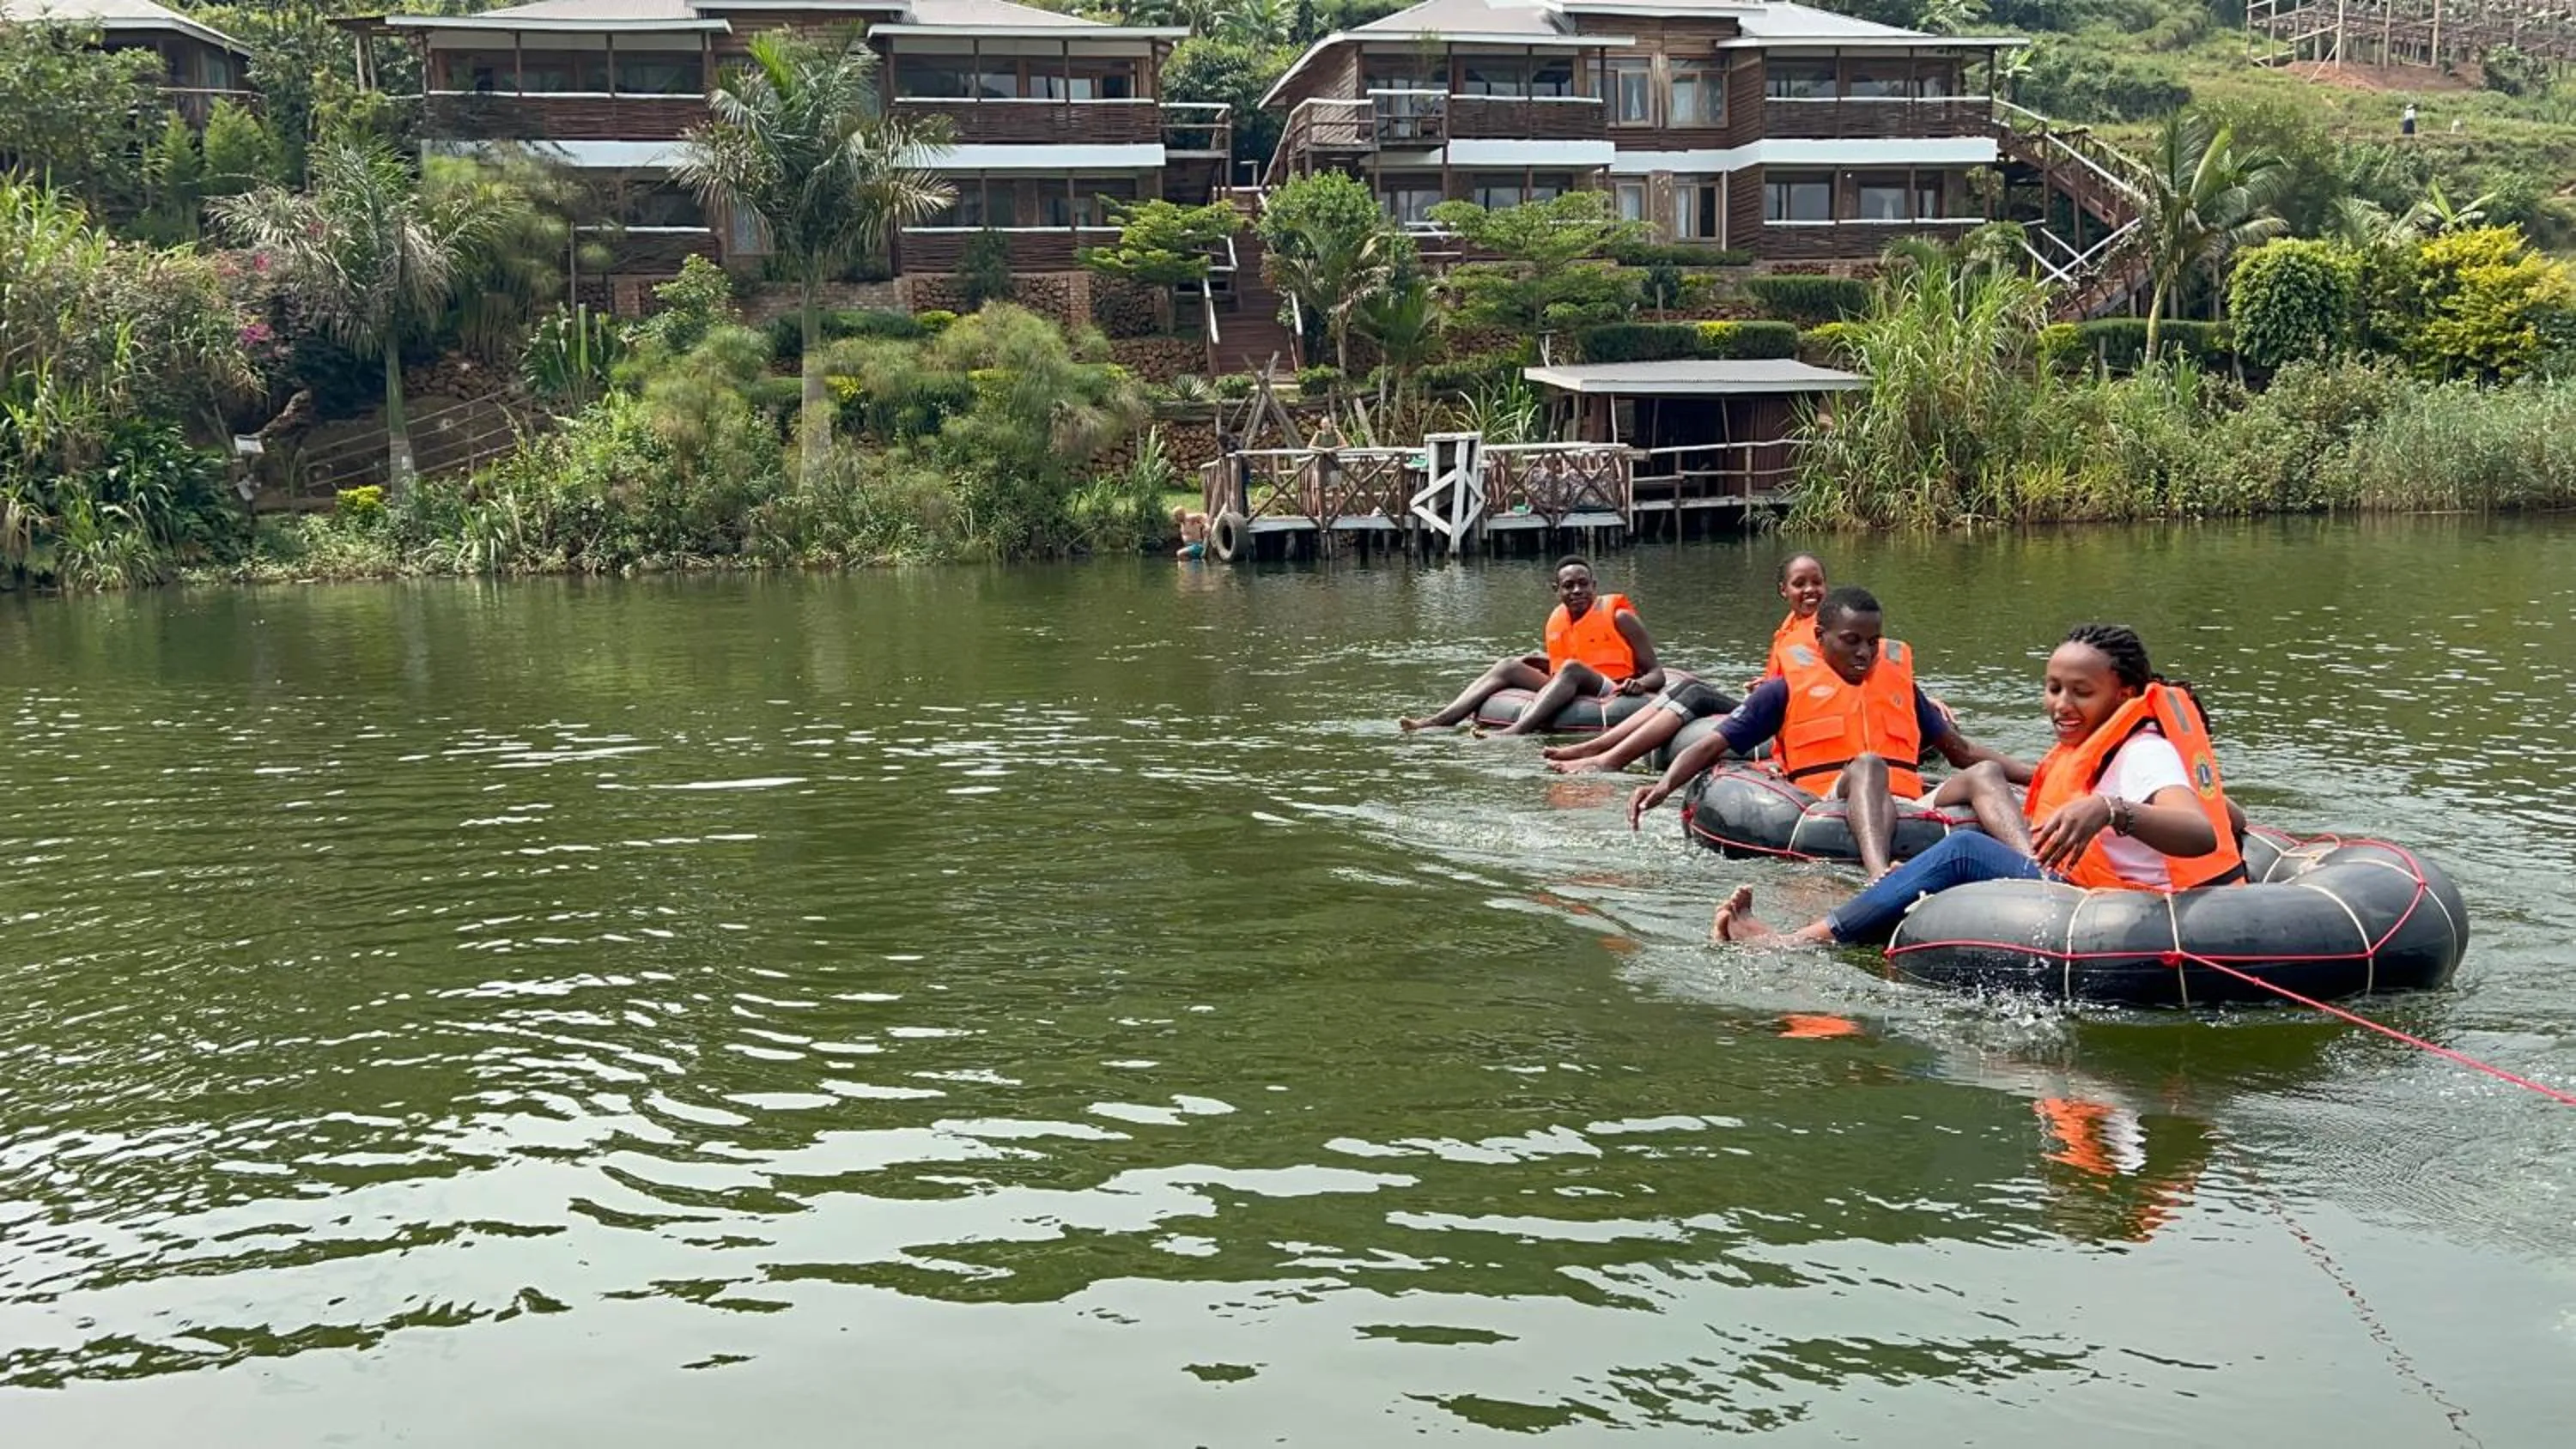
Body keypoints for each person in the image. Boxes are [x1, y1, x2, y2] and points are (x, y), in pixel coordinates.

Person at [1710, 621, 2245, 946]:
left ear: (2126, 691)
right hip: (2100, 891)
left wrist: (2111, 810)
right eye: (2054, 688)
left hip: (2120, 908)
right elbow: (2227, 819)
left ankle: (1798, 941)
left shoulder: (2144, 751)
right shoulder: (2099, 748)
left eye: (2081, 692)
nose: (2061, 704)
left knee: (1964, 848)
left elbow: (2201, 834)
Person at [1626, 586, 2034, 880]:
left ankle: (2032, 870)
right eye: (1851, 641)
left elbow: (1960, 752)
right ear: (1820, 637)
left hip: (1910, 799)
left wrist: (2042, 774)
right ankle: (1880, 874)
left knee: (1985, 775)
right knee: (1869, 765)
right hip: (1827, 797)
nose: (1865, 653)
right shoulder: (1781, 690)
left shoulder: (1900, 686)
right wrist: (1661, 789)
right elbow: (1714, 743)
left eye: (1873, 643)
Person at [1545, 553, 1829, 775]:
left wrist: (1772, 690)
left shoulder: (1825, 629)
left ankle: (1608, 759)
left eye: (1817, 582)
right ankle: (1597, 746)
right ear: (1784, 590)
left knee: (1696, 693)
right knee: (1687, 687)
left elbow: (1820, 683)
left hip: (1787, 720)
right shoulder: (1793, 625)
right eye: (1800, 584)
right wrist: (1765, 685)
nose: (1810, 590)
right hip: (1772, 708)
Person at [1400, 556, 1666, 736]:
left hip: (1609, 687)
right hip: (1569, 685)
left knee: (1573, 669)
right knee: (1508, 666)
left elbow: (1657, 673)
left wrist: (1640, 684)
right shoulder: (1558, 619)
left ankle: (1514, 733)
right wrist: (1545, 663)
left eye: (1583, 584)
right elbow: (1572, 659)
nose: (1577, 591)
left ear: (1594, 586)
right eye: (1568, 586)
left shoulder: (1621, 617)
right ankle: (1437, 721)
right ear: (1557, 589)